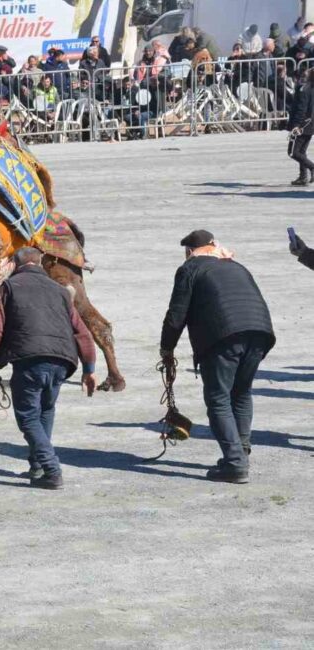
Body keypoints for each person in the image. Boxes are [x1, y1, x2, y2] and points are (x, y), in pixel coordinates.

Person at [160, 231, 274, 484]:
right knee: (241, 393)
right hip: (260, 331)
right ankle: (240, 454)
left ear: (190, 252)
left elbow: (176, 315)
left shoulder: (189, 269)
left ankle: (234, 464)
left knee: (218, 399)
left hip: (223, 336)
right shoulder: (236, 265)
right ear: (213, 246)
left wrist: (166, 349)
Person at [0, 247, 97, 490]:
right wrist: (89, 368)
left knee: (28, 417)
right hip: (62, 361)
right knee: (46, 409)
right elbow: (82, 332)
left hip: (29, 360)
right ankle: (37, 466)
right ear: (41, 262)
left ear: (13, 264)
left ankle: (51, 469)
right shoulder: (61, 291)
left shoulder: (8, 288)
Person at [288, 68, 314, 185]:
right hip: (310, 124)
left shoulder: (303, 89)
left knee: (293, 152)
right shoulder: (311, 88)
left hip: (303, 124)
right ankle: (303, 176)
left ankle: (312, 167)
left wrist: (296, 125)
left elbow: (301, 109)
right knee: (301, 151)